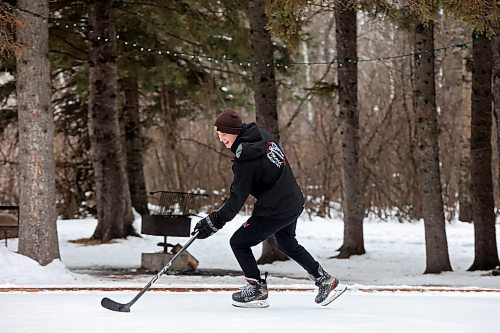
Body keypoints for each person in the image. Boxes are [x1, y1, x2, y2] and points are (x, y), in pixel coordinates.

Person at [193, 109, 346, 308]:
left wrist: (214, 222)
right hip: (293, 201)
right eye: (219, 135)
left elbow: (236, 199)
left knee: (239, 242)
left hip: (276, 209)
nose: (221, 139)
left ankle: (256, 287)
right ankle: (324, 279)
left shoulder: (245, 159)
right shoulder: (262, 137)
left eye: (224, 134)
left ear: (235, 132)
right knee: (287, 244)